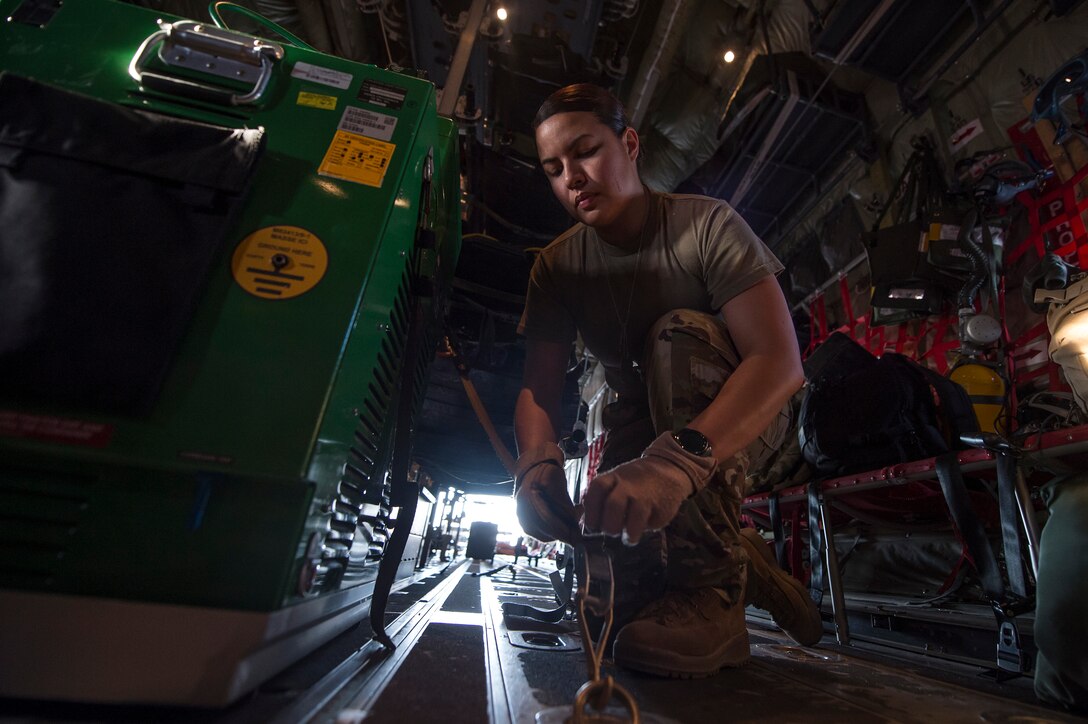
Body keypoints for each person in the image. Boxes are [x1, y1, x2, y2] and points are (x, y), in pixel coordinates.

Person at [512, 83, 822, 677]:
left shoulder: (704, 225)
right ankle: (741, 560)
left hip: (754, 420)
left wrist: (672, 467)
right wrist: (536, 464)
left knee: (675, 333)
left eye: (586, 151)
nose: (572, 178)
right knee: (620, 617)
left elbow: (779, 362)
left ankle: (716, 594)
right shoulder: (556, 267)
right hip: (648, 427)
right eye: (554, 168)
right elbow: (539, 391)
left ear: (630, 143)